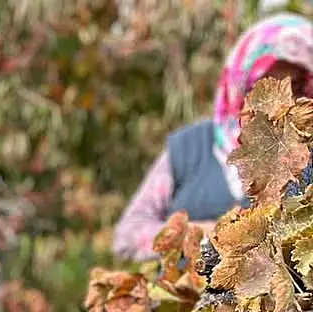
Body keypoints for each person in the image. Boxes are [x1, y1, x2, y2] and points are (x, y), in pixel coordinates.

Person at [112, 13, 313, 261]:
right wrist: (197, 235)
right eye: (267, 85)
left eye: (296, 87)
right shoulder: (189, 148)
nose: (284, 100)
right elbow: (127, 236)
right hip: (191, 298)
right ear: (241, 85)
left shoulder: (307, 157)